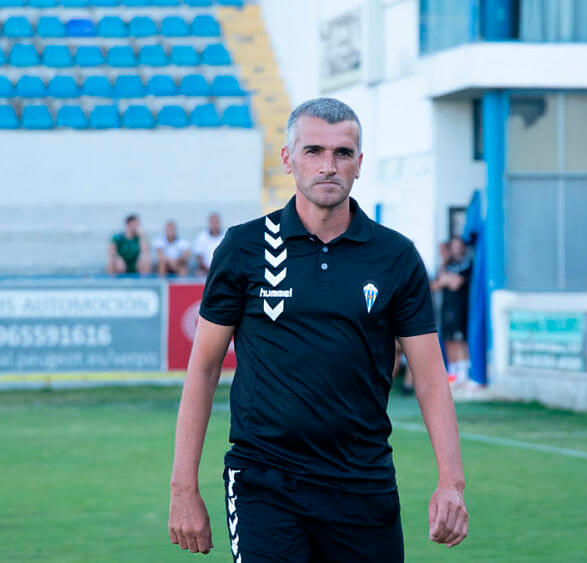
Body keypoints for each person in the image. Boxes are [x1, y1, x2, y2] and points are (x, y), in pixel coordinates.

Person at [168, 98, 468, 562]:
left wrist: (451, 482)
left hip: (363, 484)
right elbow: (204, 368)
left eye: (342, 153)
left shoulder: (395, 256)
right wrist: (183, 488)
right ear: (289, 159)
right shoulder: (244, 248)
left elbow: (430, 378)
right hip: (265, 482)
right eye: (313, 151)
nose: (328, 166)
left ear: (360, 164)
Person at [430, 236, 472, 384]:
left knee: (459, 340)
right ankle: (453, 374)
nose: (455, 249)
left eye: (457, 245)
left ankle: (463, 374)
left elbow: (455, 283)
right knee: (448, 340)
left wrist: (446, 280)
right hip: (446, 309)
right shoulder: (447, 266)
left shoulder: (467, 265)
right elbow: (434, 285)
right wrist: (445, 264)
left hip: (460, 308)